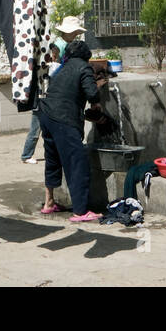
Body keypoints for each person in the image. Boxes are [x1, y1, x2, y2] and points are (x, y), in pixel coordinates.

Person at [38, 39, 104, 223]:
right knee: (77, 162)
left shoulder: (63, 68)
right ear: (85, 56)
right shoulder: (84, 68)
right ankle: (81, 212)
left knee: (52, 160)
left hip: (46, 115)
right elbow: (91, 93)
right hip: (63, 119)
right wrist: (97, 103)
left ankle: (49, 203)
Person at [21, 15, 86, 165]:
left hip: (49, 88)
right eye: (75, 32)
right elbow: (54, 67)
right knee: (37, 123)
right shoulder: (59, 46)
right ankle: (26, 154)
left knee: (44, 123)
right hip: (46, 90)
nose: (76, 34)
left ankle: (35, 153)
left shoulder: (64, 44)